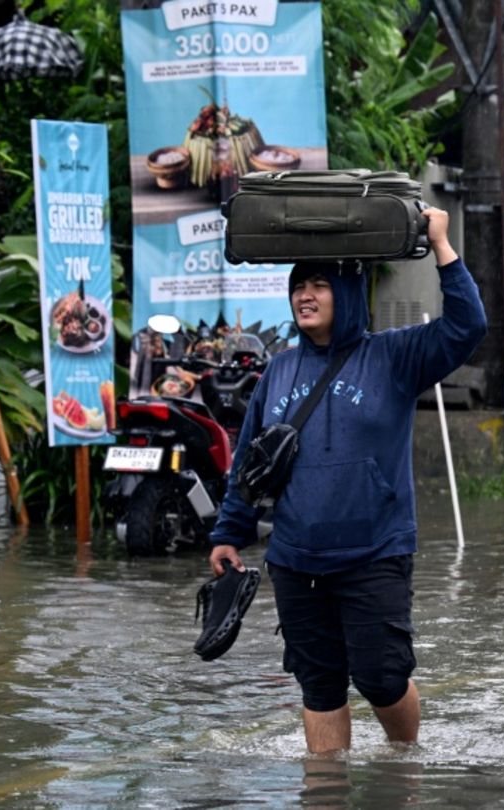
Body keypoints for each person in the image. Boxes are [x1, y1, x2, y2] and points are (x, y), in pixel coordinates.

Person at [207, 208, 485, 751]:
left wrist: (441, 246)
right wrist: (228, 533)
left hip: (375, 553)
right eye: (298, 286)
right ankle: (326, 788)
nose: (305, 296)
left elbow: (467, 327)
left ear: (348, 293)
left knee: (382, 678)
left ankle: (404, 766)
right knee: (319, 687)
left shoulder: (394, 356)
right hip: (295, 559)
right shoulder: (279, 370)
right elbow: (248, 464)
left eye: (319, 285)